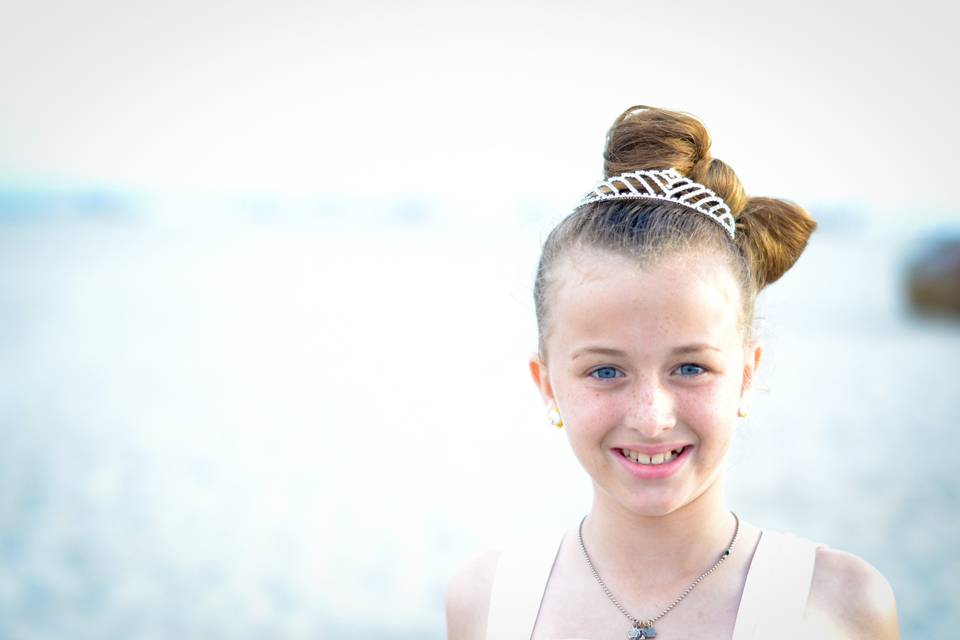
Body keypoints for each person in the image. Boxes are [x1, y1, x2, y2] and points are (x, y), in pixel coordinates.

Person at [445, 105, 899, 639]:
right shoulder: (489, 603)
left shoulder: (839, 606)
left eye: (690, 367)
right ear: (547, 385)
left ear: (747, 375)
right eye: (606, 371)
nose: (652, 418)